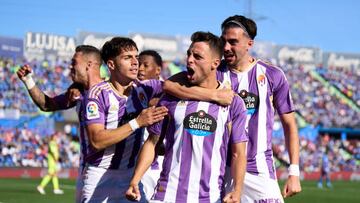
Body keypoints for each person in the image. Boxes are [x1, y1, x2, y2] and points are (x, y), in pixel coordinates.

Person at [163, 15, 301, 202]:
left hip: (259, 170)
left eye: (233, 42)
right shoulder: (214, 71)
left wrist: (294, 171)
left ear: (249, 43)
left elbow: (289, 125)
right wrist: (213, 95)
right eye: (224, 41)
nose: (226, 47)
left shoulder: (272, 75)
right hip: (222, 170)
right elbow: (168, 85)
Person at [126, 31, 248, 203]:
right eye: (189, 54)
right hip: (167, 195)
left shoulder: (233, 103)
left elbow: (238, 153)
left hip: (209, 198)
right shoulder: (170, 97)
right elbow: (153, 142)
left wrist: (237, 190)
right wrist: (135, 180)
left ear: (215, 63)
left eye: (197, 56)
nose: (190, 60)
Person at [82, 37, 168, 202]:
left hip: (131, 175)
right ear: (112, 65)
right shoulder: (97, 95)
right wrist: (137, 122)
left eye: (136, 57)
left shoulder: (144, 88)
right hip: (100, 176)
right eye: (128, 57)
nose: (135, 62)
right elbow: (97, 140)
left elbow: (173, 84)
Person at [17, 45, 104, 201]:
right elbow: (47, 105)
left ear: (89, 65)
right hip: (86, 170)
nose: (70, 66)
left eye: (74, 62)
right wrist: (28, 81)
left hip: (108, 172)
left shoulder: (110, 91)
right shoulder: (79, 92)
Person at [137, 49, 166, 201]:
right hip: (135, 165)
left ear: (158, 70)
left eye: (145, 65)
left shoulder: (168, 91)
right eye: (138, 64)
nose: (140, 68)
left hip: (156, 167)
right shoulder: (134, 90)